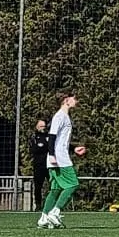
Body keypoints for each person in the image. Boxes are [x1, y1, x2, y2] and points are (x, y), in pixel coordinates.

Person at [37, 94, 85, 229]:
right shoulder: (60, 116)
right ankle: (55, 212)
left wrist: (73, 148)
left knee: (56, 189)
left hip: (57, 157)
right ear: (66, 100)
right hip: (59, 159)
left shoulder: (64, 116)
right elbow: (51, 137)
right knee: (73, 184)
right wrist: (52, 155)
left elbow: (60, 140)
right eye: (74, 98)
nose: (76, 100)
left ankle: (44, 218)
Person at [29, 117, 51, 212]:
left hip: (49, 165)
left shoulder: (49, 136)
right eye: (41, 126)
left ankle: (52, 205)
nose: (43, 128)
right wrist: (44, 147)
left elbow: (51, 147)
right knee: (38, 186)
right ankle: (38, 205)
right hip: (38, 166)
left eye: (44, 126)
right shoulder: (34, 137)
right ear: (37, 127)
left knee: (53, 185)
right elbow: (35, 149)